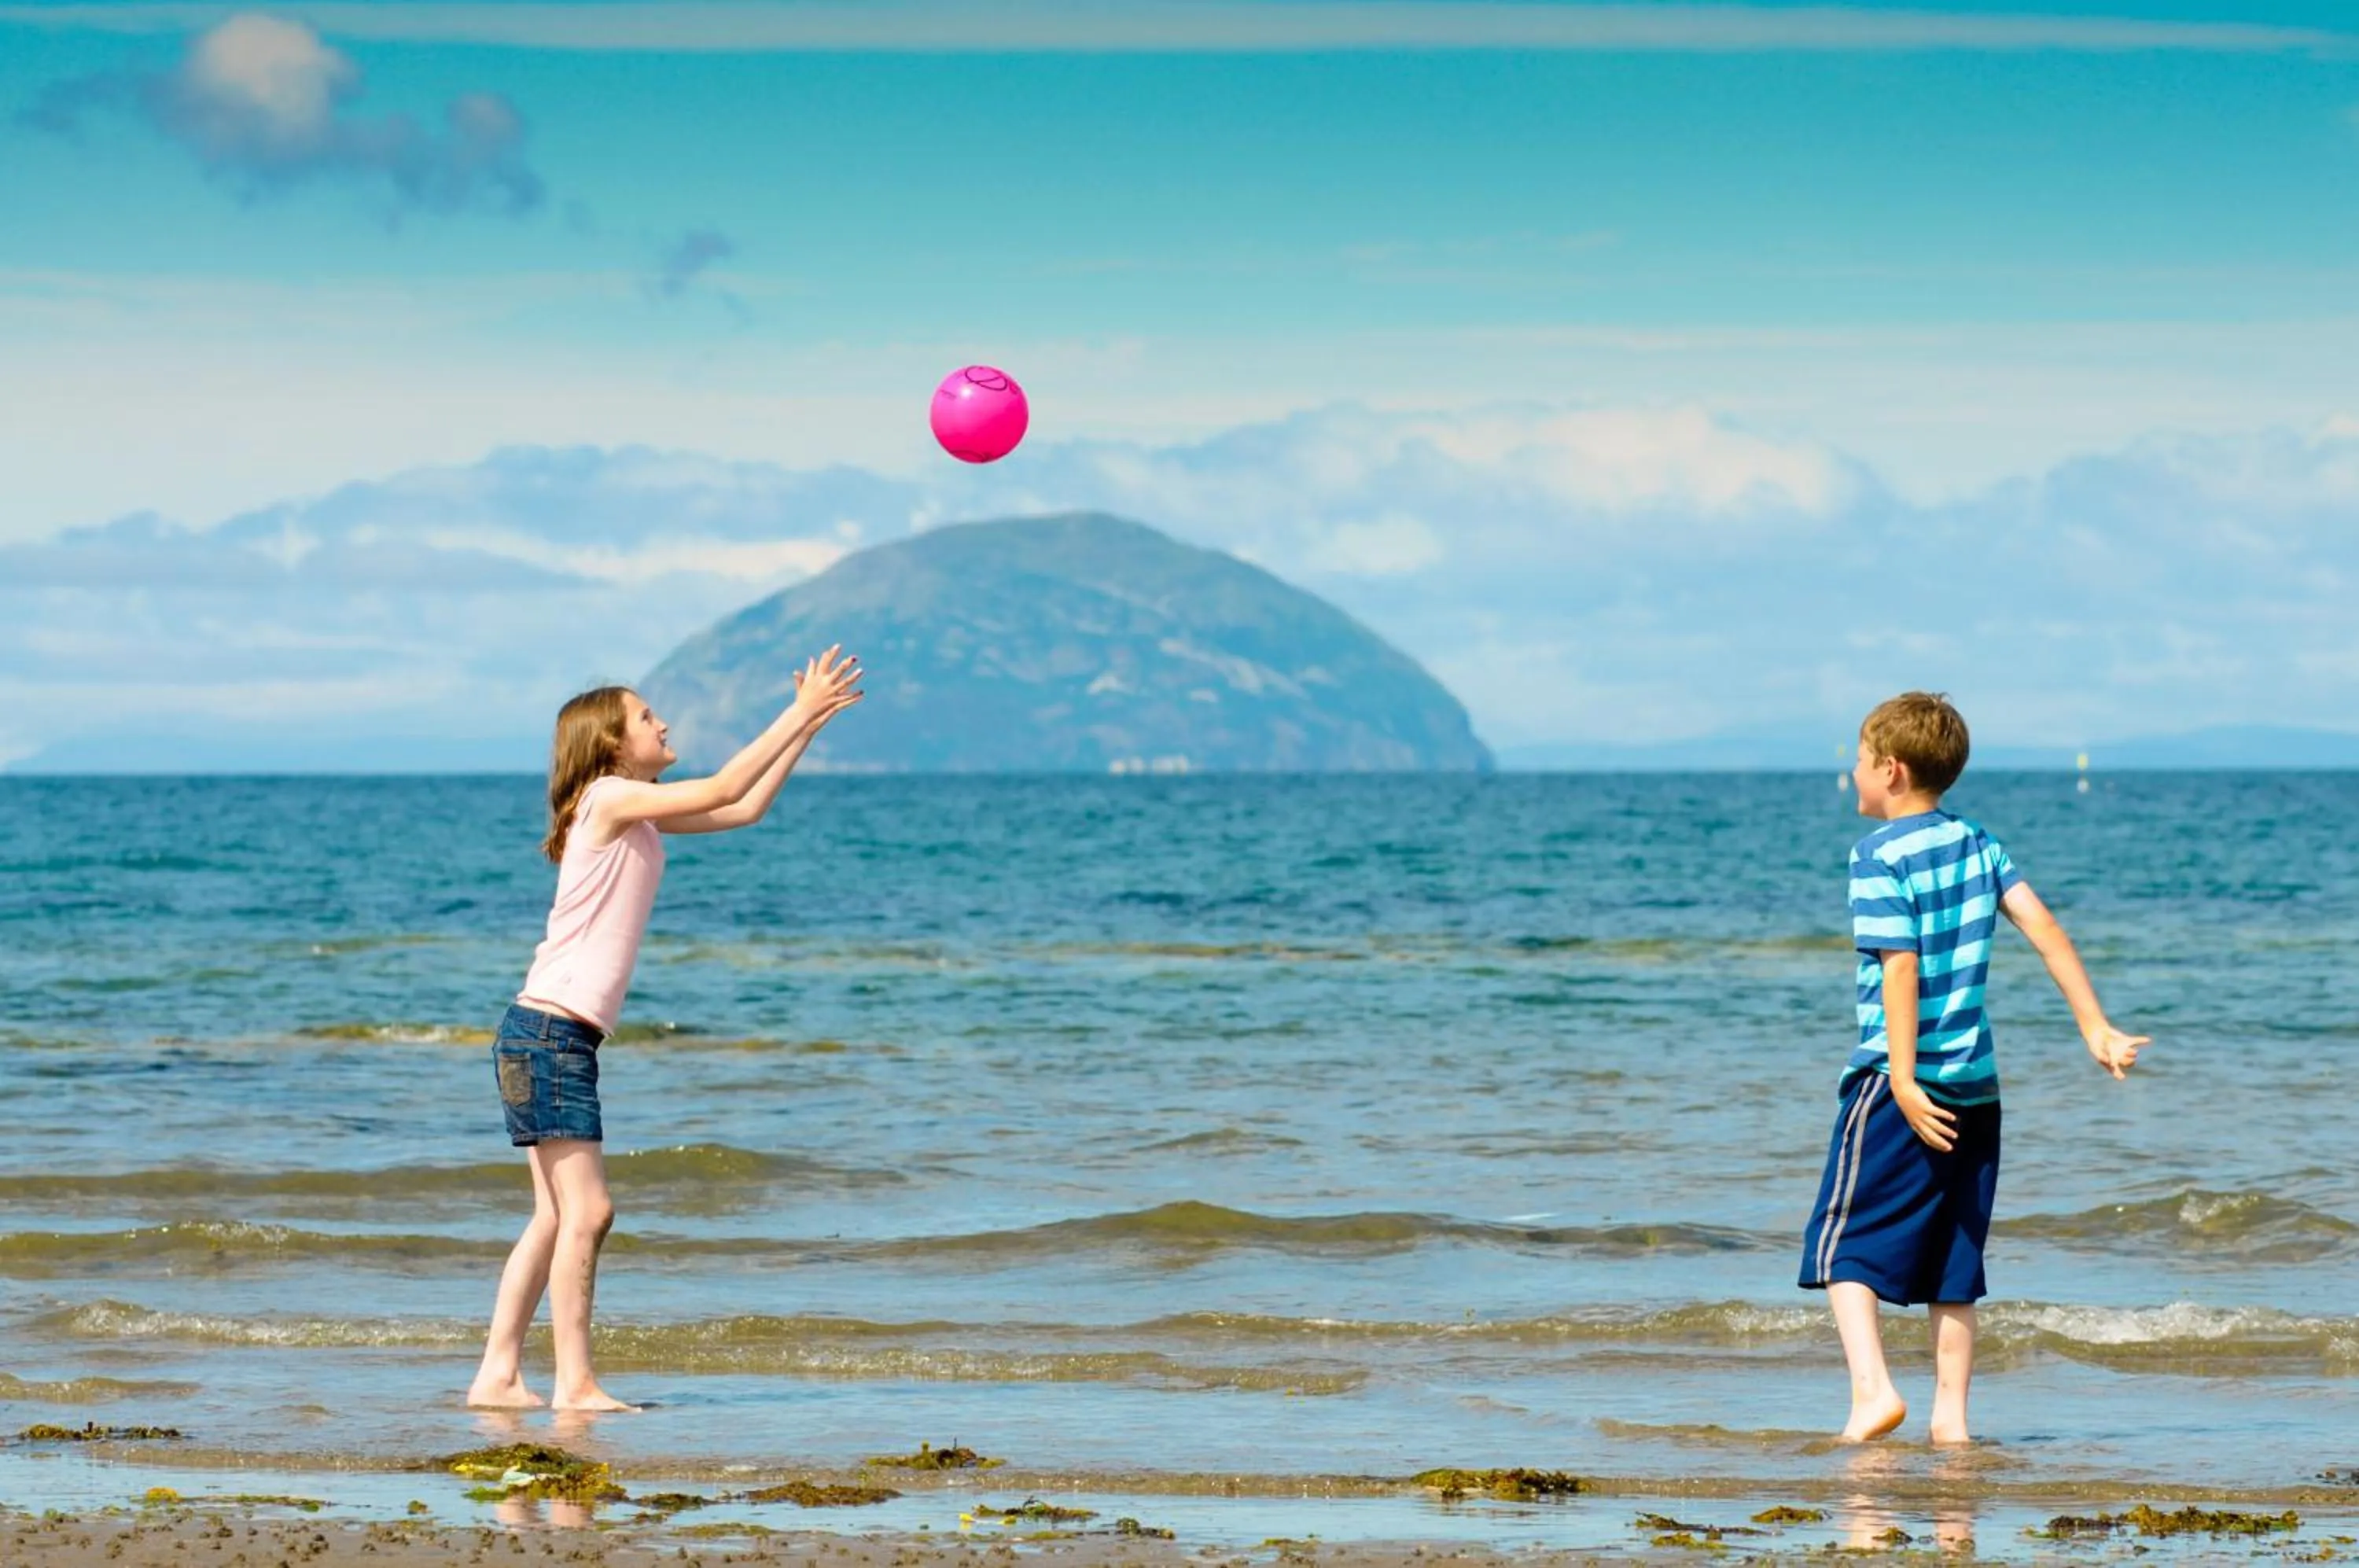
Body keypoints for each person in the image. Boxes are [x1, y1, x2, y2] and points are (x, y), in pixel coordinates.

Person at [465, 648, 863, 1411]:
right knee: (589, 1212)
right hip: (550, 1034)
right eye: (647, 717)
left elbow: (742, 808)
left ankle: (499, 1374)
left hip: (542, 1033)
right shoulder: (608, 798)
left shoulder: (632, 811)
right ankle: (575, 1385)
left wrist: (808, 726)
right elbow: (722, 784)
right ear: (611, 745)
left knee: (555, 1216)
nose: (664, 723)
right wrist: (798, 709)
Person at [1798, 691, 2147, 1444]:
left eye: (1859, 760)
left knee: (1839, 1239)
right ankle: (1951, 1423)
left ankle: (1872, 1393)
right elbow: (2043, 927)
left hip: (1898, 1084)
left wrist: (1900, 1078)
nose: (1853, 772)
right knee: (1956, 1256)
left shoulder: (1877, 855)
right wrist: (2095, 1026)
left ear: (1891, 770)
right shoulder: (1978, 842)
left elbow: (1899, 967)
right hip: (1976, 1087)